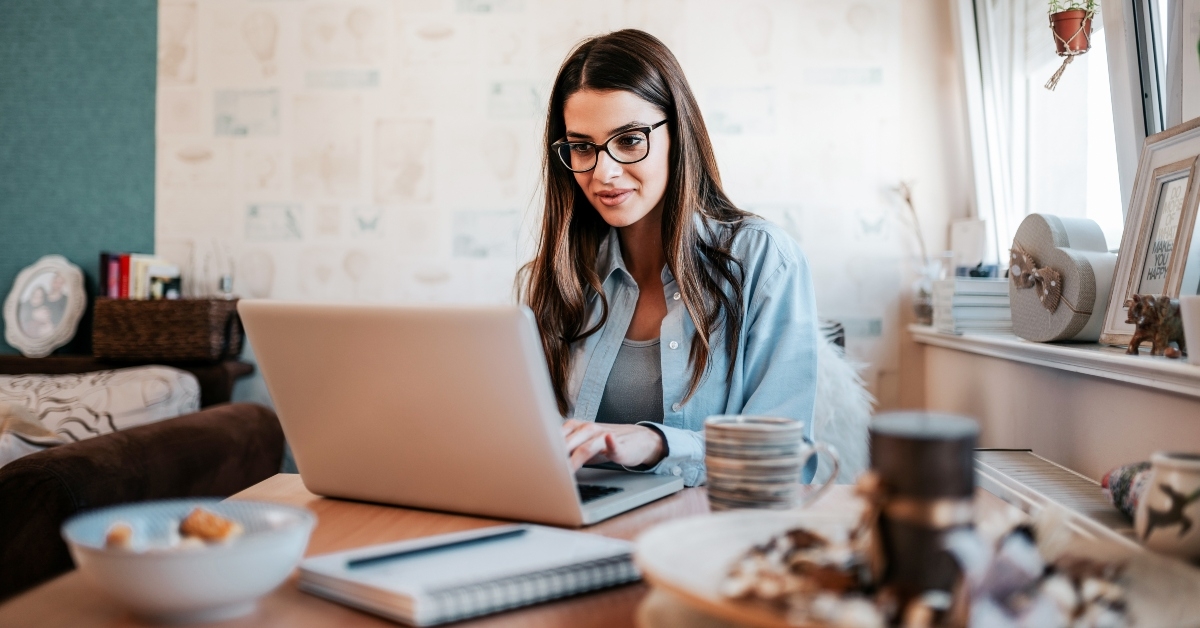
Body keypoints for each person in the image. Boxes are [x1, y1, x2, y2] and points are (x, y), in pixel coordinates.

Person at [520, 30, 819, 488]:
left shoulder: (763, 260)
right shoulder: (555, 277)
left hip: (711, 536)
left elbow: (786, 457)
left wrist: (658, 444)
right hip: (583, 527)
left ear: (678, 134)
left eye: (630, 139)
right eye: (582, 147)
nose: (605, 172)